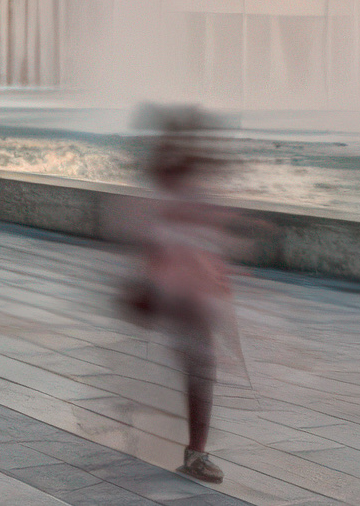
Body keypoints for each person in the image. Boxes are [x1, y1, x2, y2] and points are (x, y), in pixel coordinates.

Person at [117, 111, 235, 483]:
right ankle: (193, 450)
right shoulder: (166, 176)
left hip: (193, 277)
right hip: (173, 278)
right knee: (199, 361)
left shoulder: (190, 175)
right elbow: (152, 226)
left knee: (201, 361)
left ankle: (195, 450)